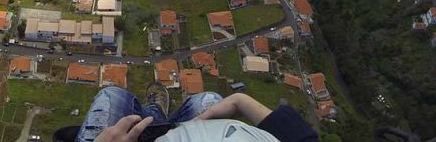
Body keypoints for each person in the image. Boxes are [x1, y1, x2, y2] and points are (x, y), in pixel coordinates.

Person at [56, 84, 318, 142]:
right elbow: (302, 138)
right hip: (204, 133)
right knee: (208, 100)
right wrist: (239, 101)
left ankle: (154, 113)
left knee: (111, 95)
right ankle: (156, 116)